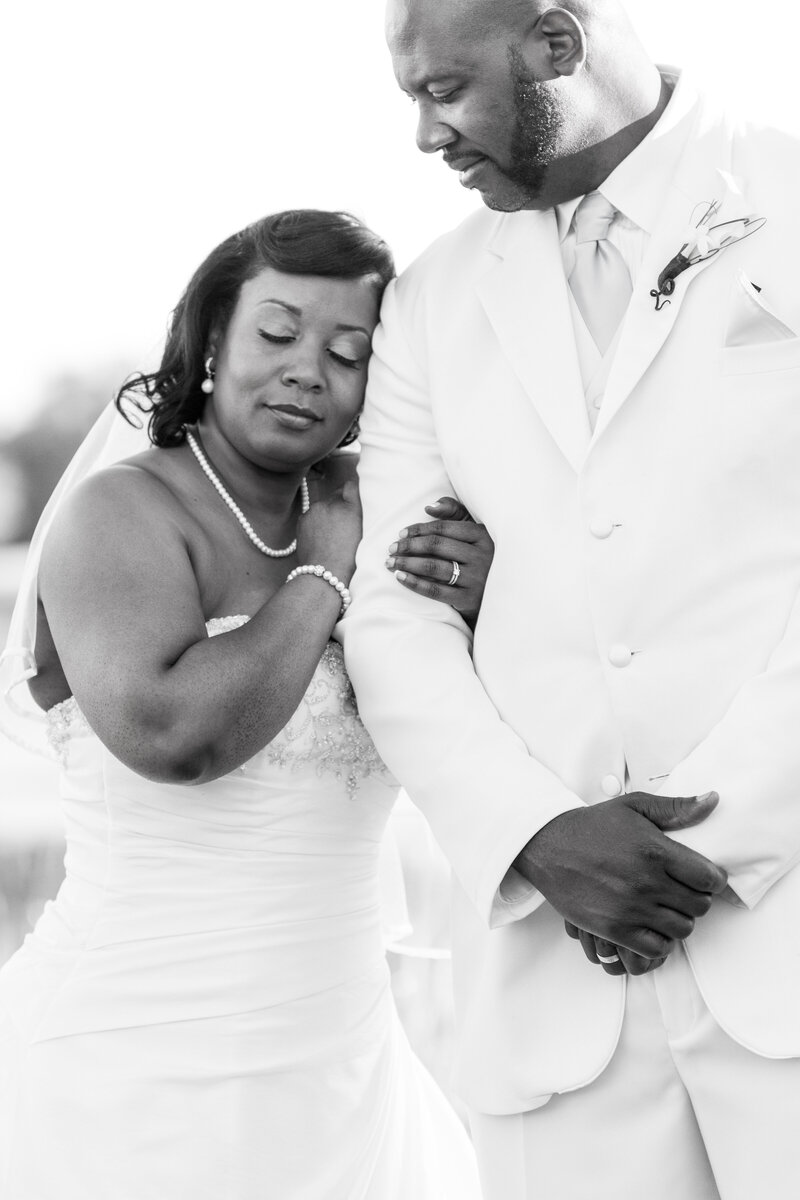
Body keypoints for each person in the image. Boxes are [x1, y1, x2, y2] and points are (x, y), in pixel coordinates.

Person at [344, 2, 800, 1198]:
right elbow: (392, 615)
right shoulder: (429, 301)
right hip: (557, 992)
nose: (424, 134)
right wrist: (535, 836)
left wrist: (703, 841)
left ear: (556, 44)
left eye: (443, 90)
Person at [0, 209, 491, 1199]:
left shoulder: (386, 520)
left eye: (346, 351)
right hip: (131, 1059)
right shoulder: (123, 513)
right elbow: (171, 736)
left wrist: (487, 601)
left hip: (340, 1072)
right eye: (275, 334)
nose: (307, 368)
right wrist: (317, 579)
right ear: (210, 343)